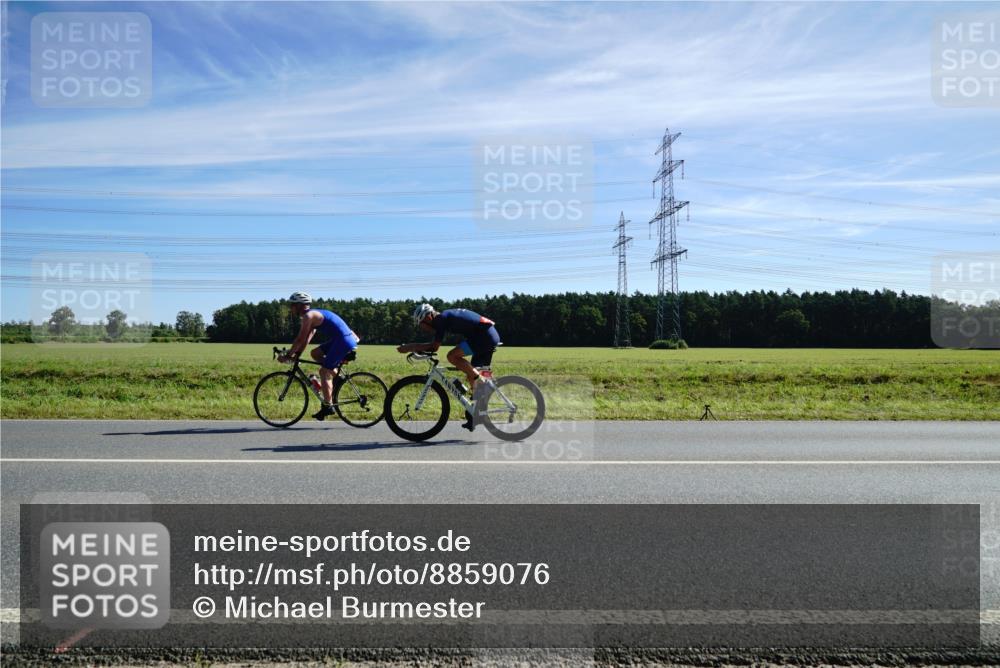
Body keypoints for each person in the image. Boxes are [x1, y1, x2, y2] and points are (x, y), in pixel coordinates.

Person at [279, 291, 359, 420]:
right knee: (315, 353)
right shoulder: (311, 316)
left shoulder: (309, 316)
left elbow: (299, 339)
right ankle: (336, 376)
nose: (291, 308)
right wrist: (297, 354)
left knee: (323, 372)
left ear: (300, 305)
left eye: (292, 305)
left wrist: (288, 355)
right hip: (341, 339)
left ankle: (328, 406)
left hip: (343, 341)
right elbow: (305, 340)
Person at [397, 303, 500, 397]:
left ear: (428, 317)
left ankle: (481, 381)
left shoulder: (440, 319)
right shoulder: (443, 317)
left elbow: (434, 347)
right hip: (486, 335)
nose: (423, 328)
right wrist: (417, 348)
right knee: (471, 375)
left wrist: (410, 347)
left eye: (421, 324)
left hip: (484, 336)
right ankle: (478, 408)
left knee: (452, 356)